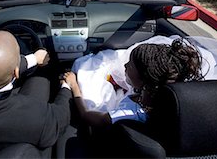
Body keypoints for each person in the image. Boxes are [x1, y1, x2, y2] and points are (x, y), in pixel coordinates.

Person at [62, 38, 203, 127]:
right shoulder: (167, 96)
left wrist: (74, 85)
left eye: (129, 66)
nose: (124, 66)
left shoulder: (131, 113)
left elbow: (88, 117)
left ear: (144, 80)